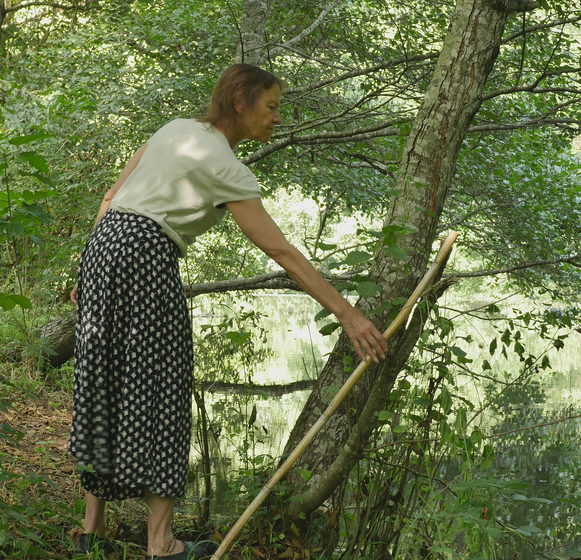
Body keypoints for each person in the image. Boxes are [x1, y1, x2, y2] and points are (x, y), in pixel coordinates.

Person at [68, 64, 388, 559]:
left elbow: (113, 195)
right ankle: (160, 545)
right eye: (272, 106)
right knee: (164, 386)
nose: (277, 118)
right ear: (241, 102)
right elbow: (280, 251)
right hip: (147, 255)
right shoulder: (225, 166)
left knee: (104, 376)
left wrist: (90, 267)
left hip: (105, 247)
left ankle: (92, 531)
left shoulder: (176, 129)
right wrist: (348, 314)